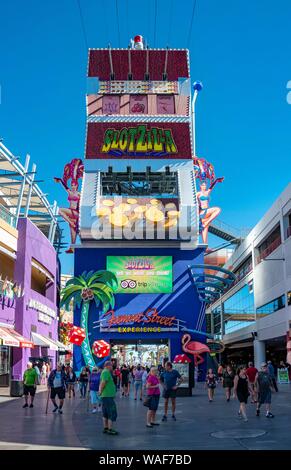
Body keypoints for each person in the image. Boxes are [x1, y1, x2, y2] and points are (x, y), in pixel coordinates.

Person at [99, 360, 118, 435]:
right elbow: (103, 383)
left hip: (106, 396)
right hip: (107, 396)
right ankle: (110, 429)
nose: (112, 367)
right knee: (111, 412)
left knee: (105, 413)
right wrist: (100, 391)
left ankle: (106, 428)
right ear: (108, 366)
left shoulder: (105, 372)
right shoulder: (106, 372)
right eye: (111, 365)